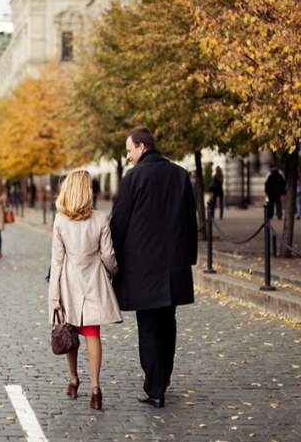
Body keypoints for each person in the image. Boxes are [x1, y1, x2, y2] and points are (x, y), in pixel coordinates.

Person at [110, 126, 198, 409]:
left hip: (142, 268)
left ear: (142, 147)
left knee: (148, 327)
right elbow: (189, 221)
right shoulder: (180, 175)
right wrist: (190, 258)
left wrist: (112, 261)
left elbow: (119, 223)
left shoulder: (133, 177)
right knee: (167, 324)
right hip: (173, 266)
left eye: (129, 150)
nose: (128, 157)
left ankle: (154, 387)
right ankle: (164, 379)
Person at [49, 170, 122, 411]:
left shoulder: (60, 220)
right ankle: (95, 388)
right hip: (93, 281)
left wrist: (54, 295)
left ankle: (72, 379)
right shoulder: (100, 219)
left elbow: (56, 261)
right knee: (92, 334)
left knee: (68, 331)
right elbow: (108, 255)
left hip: (69, 283)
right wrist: (112, 272)